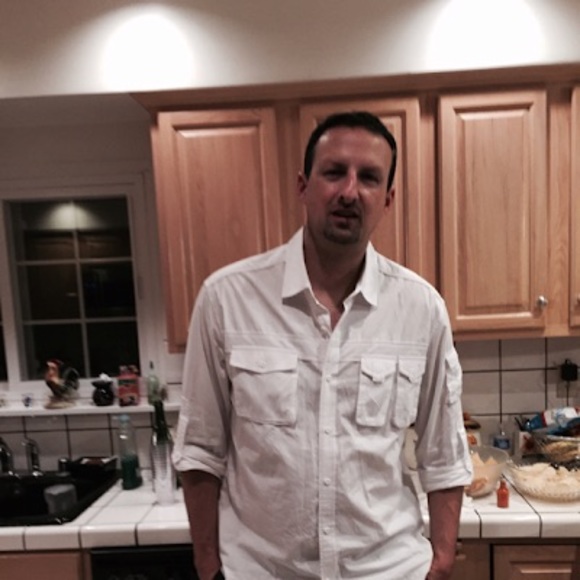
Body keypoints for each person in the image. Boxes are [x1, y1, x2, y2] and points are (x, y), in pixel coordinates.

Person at [173, 111, 473, 580]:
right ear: (303, 186)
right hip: (262, 571)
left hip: (389, 570)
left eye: (369, 177)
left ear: (387, 199)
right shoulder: (226, 299)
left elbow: (444, 455)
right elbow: (199, 451)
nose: (350, 192)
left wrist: (442, 560)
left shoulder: (421, 309)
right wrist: (208, 565)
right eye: (334, 172)